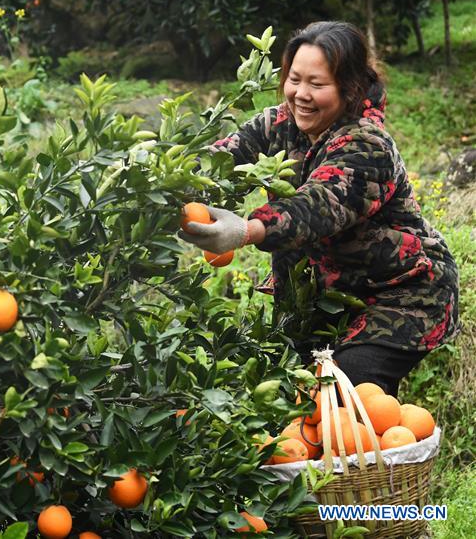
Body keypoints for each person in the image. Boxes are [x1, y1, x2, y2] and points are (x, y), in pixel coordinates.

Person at [178, 21, 459, 396]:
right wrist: (162, 184)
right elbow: (219, 161)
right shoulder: (278, 124)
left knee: (347, 388)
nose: (301, 94)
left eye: (317, 84)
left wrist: (247, 230)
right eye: (295, 80)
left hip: (399, 296)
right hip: (321, 299)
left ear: (349, 87)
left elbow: (317, 207)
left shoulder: (368, 144)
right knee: (291, 396)